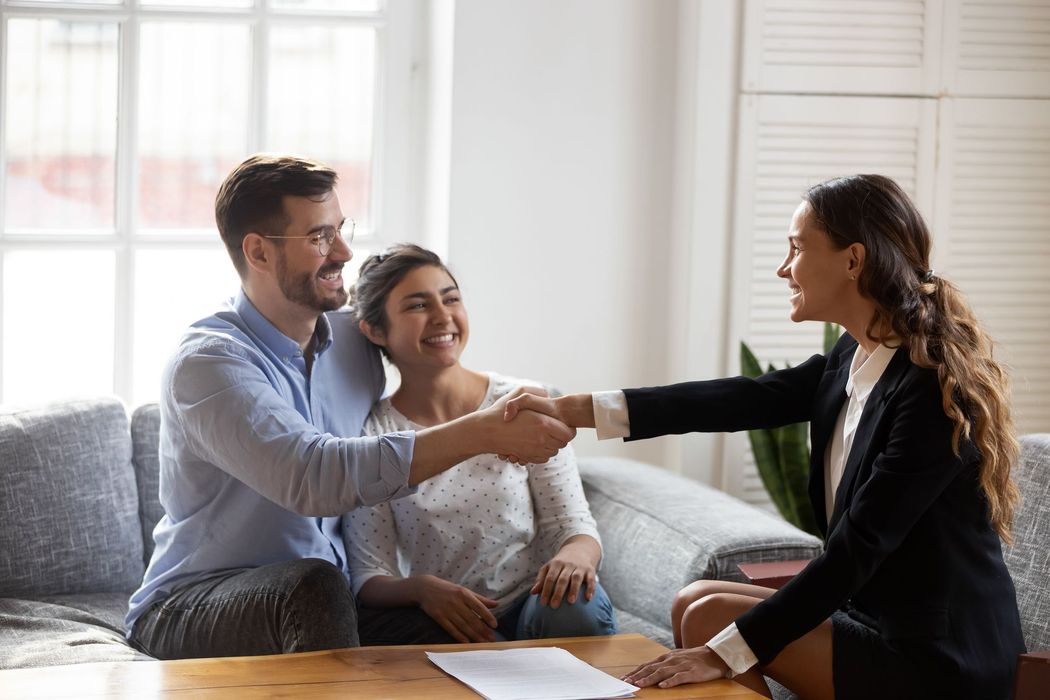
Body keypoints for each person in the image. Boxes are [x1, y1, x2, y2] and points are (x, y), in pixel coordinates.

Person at [503, 174, 1026, 699]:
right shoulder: (854, 358)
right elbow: (737, 398)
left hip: (939, 657)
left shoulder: (930, 393)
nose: (783, 268)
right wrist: (575, 410)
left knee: (712, 617)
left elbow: (856, 550)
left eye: (797, 248)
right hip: (877, 621)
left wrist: (722, 652)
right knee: (696, 599)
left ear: (853, 260)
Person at [126, 155, 575, 660]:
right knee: (314, 585)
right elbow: (315, 477)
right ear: (259, 252)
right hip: (194, 604)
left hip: (333, 601)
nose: (343, 251)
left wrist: (520, 406)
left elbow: (433, 352)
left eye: (341, 229)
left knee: (482, 653)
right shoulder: (209, 364)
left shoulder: (352, 340)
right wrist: (482, 432)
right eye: (319, 237)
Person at [342, 244, 618, 645]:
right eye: (418, 306)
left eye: (451, 299)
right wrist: (421, 589)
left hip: (538, 603)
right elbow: (369, 573)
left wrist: (575, 556)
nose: (443, 317)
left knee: (575, 605)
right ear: (374, 329)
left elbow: (573, 526)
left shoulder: (525, 402)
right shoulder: (374, 436)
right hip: (449, 619)